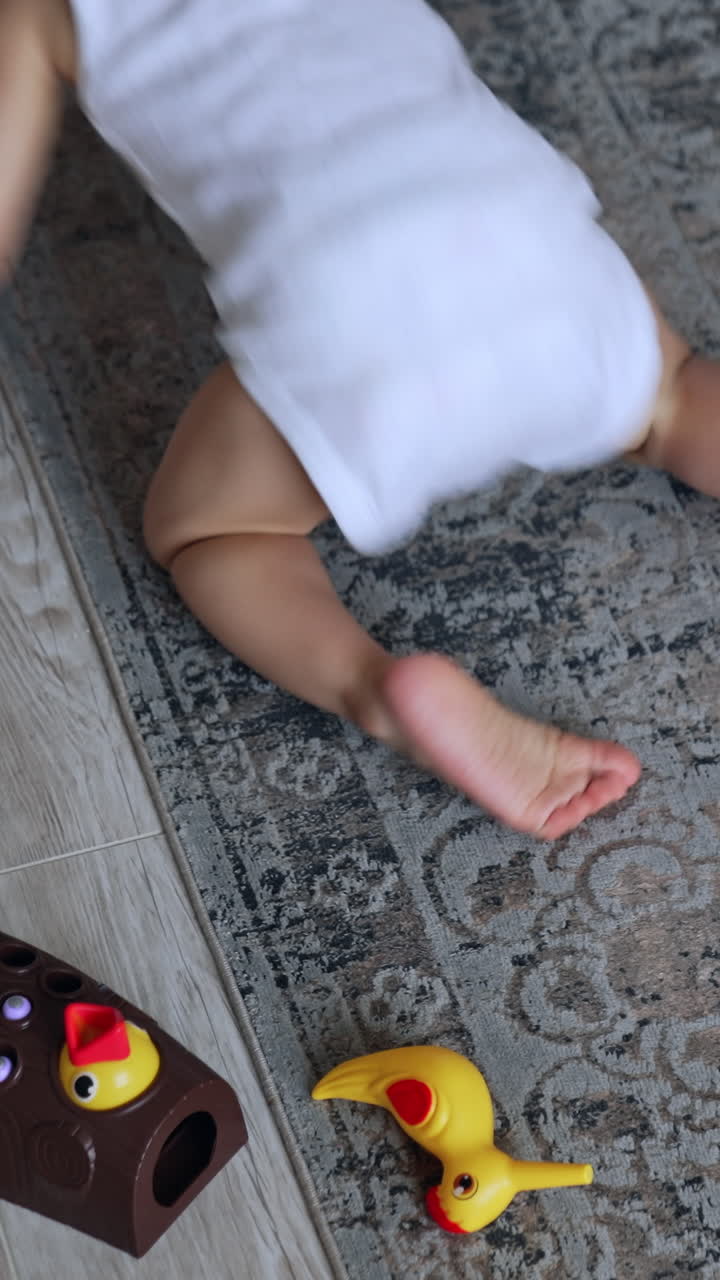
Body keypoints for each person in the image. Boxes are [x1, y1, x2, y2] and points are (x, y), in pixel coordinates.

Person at [0, 0, 712, 839]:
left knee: (214, 537)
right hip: (522, 236)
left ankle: (374, 687)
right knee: (670, 392)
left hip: (350, 313)